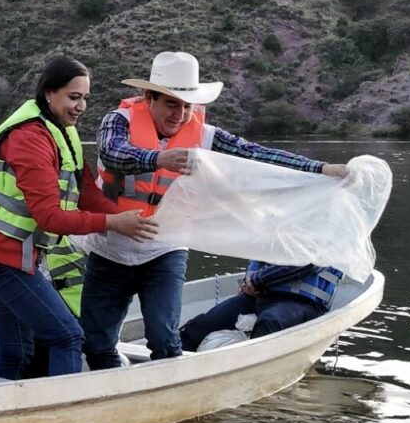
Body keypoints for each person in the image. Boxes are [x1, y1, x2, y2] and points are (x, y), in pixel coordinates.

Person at [78, 51, 350, 366]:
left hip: (164, 250)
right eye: (170, 103)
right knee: (96, 341)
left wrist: (320, 169)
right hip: (110, 248)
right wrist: (157, 159)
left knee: (164, 339)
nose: (179, 114)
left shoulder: (204, 135)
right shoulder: (118, 121)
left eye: (186, 106)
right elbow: (112, 153)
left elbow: (255, 154)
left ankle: (171, 396)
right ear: (149, 97)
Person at [0, 56, 159, 379]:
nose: (81, 106)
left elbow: (87, 194)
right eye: (73, 97)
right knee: (68, 337)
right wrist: (112, 223)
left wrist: (128, 218)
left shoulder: (63, 133)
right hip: (0, 260)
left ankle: (0, 416)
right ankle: (68, 419)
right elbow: (50, 218)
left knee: (18, 352)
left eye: (85, 98)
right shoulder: (29, 139)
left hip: (3, 254)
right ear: (48, 94)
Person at [179, 262, 343, 352]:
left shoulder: (327, 226)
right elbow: (261, 252)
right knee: (201, 326)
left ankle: (247, 375)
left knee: (269, 323)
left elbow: (311, 264)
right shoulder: (281, 218)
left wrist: (258, 279)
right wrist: (248, 281)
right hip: (258, 296)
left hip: (301, 303)